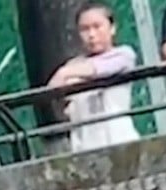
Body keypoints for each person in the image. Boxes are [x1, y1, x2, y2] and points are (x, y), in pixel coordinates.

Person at [48, 2, 140, 153]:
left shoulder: (124, 55)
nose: (91, 35)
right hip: (84, 147)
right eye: (85, 29)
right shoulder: (73, 65)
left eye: (97, 26)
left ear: (112, 28)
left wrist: (64, 74)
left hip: (119, 142)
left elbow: (100, 69)